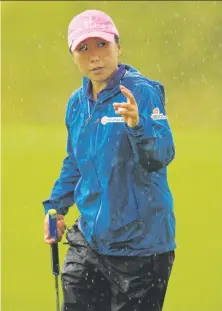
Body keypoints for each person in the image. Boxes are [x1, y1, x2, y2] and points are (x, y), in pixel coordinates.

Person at [43, 9, 176, 311]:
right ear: (73, 54)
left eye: (102, 45)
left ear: (118, 46)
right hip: (89, 241)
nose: (94, 56)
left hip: (141, 248)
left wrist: (137, 127)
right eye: (83, 48)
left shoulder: (141, 92)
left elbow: (162, 155)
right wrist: (55, 207)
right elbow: (75, 162)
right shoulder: (77, 104)